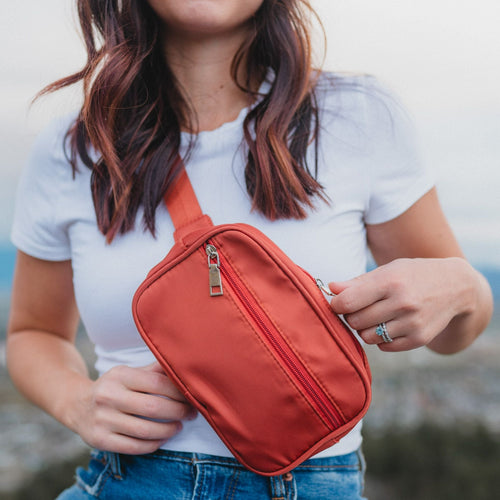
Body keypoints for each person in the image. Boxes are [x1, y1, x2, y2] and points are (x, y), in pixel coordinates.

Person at [7, 0, 493, 498]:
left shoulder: (360, 115)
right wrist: (78, 402)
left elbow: (455, 332)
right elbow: (33, 331)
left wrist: (464, 287)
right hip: (129, 479)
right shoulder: (73, 148)